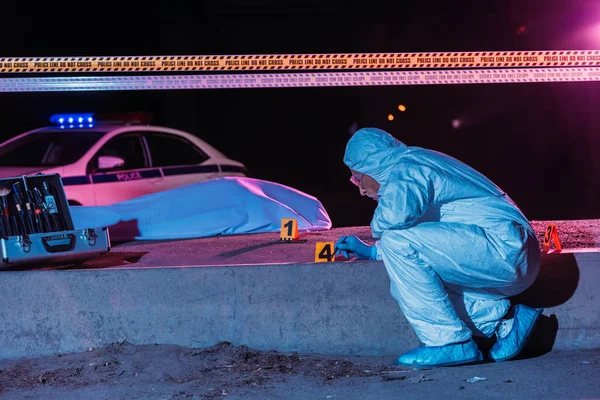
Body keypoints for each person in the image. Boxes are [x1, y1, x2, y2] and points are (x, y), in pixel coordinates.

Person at [334, 127, 542, 368]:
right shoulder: (414, 165)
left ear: (375, 164)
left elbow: (392, 219)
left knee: (395, 242)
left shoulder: (409, 167)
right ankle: (502, 322)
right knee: (407, 282)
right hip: (505, 253)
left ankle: (448, 342)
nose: (360, 189)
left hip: (504, 247)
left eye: (358, 178)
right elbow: (428, 239)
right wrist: (373, 251)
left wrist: (378, 237)